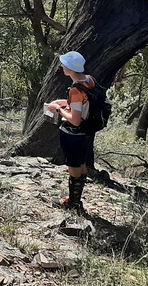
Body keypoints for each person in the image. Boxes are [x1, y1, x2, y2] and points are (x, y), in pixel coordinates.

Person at [46, 50, 96, 213]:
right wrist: (65, 102)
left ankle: (73, 203)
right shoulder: (89, 80)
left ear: (69, 68)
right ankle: (76, 200)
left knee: (74, 166)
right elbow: (83, 104)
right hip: (87, 131)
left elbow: (75, 119)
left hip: (74, 134)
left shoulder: (75, 89)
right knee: (81, 164)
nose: (61, 66)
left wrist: (58, 110)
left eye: (63, 64)